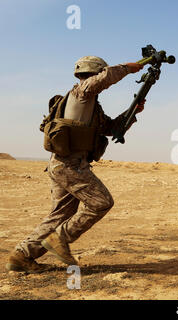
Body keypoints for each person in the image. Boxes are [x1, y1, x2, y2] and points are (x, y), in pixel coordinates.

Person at [6, 56, 145, 272]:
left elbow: (111, 129)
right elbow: (103, 79)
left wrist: (133, 111)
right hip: (70, 166)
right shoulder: (80, 93)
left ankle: (22, 255)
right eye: (98, 75)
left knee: (61, 214)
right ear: (93, 74)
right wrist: (127, 68)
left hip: (62, 165)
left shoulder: (90, 107)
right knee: (101, 202)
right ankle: (58, 240)